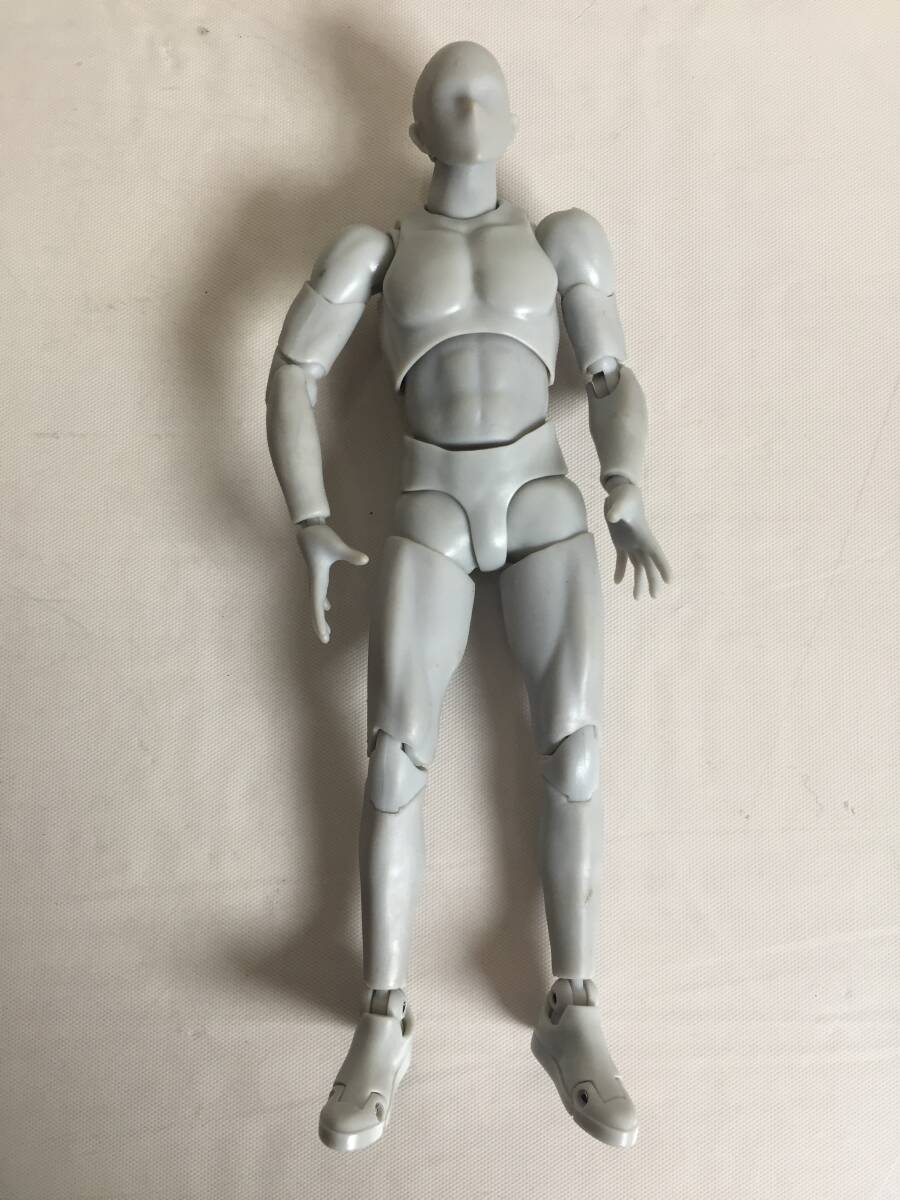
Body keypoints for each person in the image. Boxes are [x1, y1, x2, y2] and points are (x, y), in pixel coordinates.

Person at [265, 41, 670, 1151]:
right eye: (447, 93)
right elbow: (292, 371)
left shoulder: (563, 241)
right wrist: (308, 516)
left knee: (574, 746)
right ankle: (383, 1015)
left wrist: (626, 483)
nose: (467, 102)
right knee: (395, 751)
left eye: (486, 89)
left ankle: (573, 1008)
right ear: (416, 130)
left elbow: (608, 373)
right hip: (429, 500)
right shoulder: (375, 248)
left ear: (513, 119)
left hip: (542, 495)